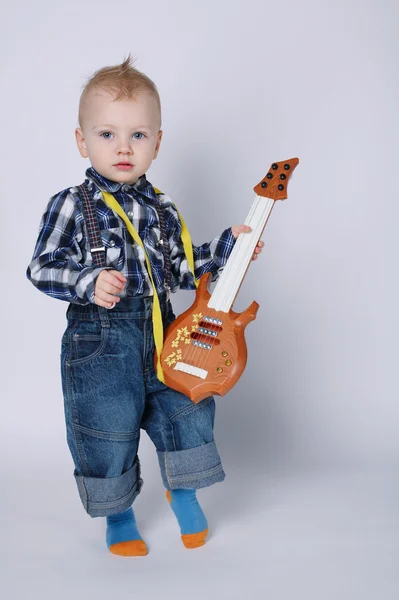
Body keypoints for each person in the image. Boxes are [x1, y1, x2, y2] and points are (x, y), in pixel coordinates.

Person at [26, 55, 264, 557]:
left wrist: (225, 249)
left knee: (188, 407)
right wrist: (88, 281)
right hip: (100, 339)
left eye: (138, 135)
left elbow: (179, 270)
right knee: (106, 426)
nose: (123, 147)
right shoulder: (72, 203)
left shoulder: (163, 209)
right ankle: (118, 514)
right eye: (107, 134)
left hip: (164, 327)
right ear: (81, 141)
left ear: (157, 143)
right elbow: (42, 267)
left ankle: (184, 490)